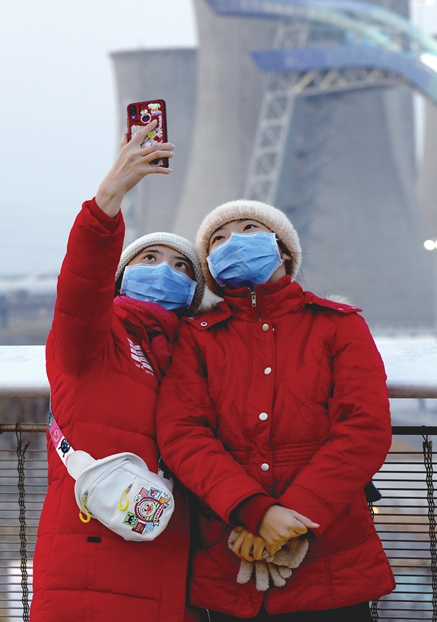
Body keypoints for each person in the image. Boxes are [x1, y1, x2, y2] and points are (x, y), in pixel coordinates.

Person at [156, 200, 395, 621]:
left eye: (249, 229)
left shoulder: (337, 325)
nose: (233, 242)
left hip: (329, 560)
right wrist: (254, 510)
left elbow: (364, 428)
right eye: (218, 239)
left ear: (283, 250)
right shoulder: (198, 339)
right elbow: (183, 433)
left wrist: (294, 516)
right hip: (228, 555)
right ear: (210, 264)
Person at [32, 121, 204, 621]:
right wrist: (110, 197)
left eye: (182, 267)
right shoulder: (94, 341)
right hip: (90, 555)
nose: (165, 270)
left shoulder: (194, 357)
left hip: (172, 558)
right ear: (123, 275)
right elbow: (81, 286)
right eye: (150, 258)